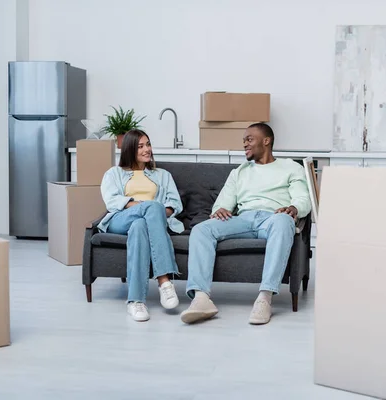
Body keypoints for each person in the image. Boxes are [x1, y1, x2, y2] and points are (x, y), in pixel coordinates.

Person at [180, 123, 312, 325]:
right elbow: (222, 203)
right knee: (201, 229)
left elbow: (303, 198)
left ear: (266, 141)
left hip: (273, 218)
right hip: (243, 219)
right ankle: (201, 298)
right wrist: (221, 209)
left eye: (249, 139)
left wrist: (293, 208)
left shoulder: (290, 167)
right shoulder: (239, 172)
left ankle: (265, 298)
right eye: (243, 141)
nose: (244, 144)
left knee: (284, 221)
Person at [99, 129, 184, 322]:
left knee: (139, 226)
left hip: (147, 222)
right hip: (121, 219)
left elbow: (175, 204)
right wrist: (146, 207)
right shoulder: (113, 173)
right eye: (141, 146)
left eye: (148, 144)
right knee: (150, 208)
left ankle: (135, 301)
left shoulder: (163, 175)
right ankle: (164, 281)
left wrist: (152, 213)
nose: (147, 149)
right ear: (129, 149)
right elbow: (112, 201)